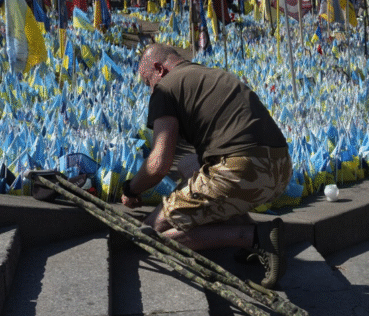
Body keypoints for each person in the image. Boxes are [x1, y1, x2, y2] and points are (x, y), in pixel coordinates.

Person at [122, 43, 292, 289]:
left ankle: (253, 237)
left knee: (152, 232)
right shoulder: (209, 74)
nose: (149, 89)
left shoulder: (165, 89)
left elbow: (159, 164)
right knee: (188, 164)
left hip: (241, 170)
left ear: (159, 69)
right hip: (280, 169)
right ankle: (245, 230)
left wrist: (131, 189)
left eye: (147, 81)